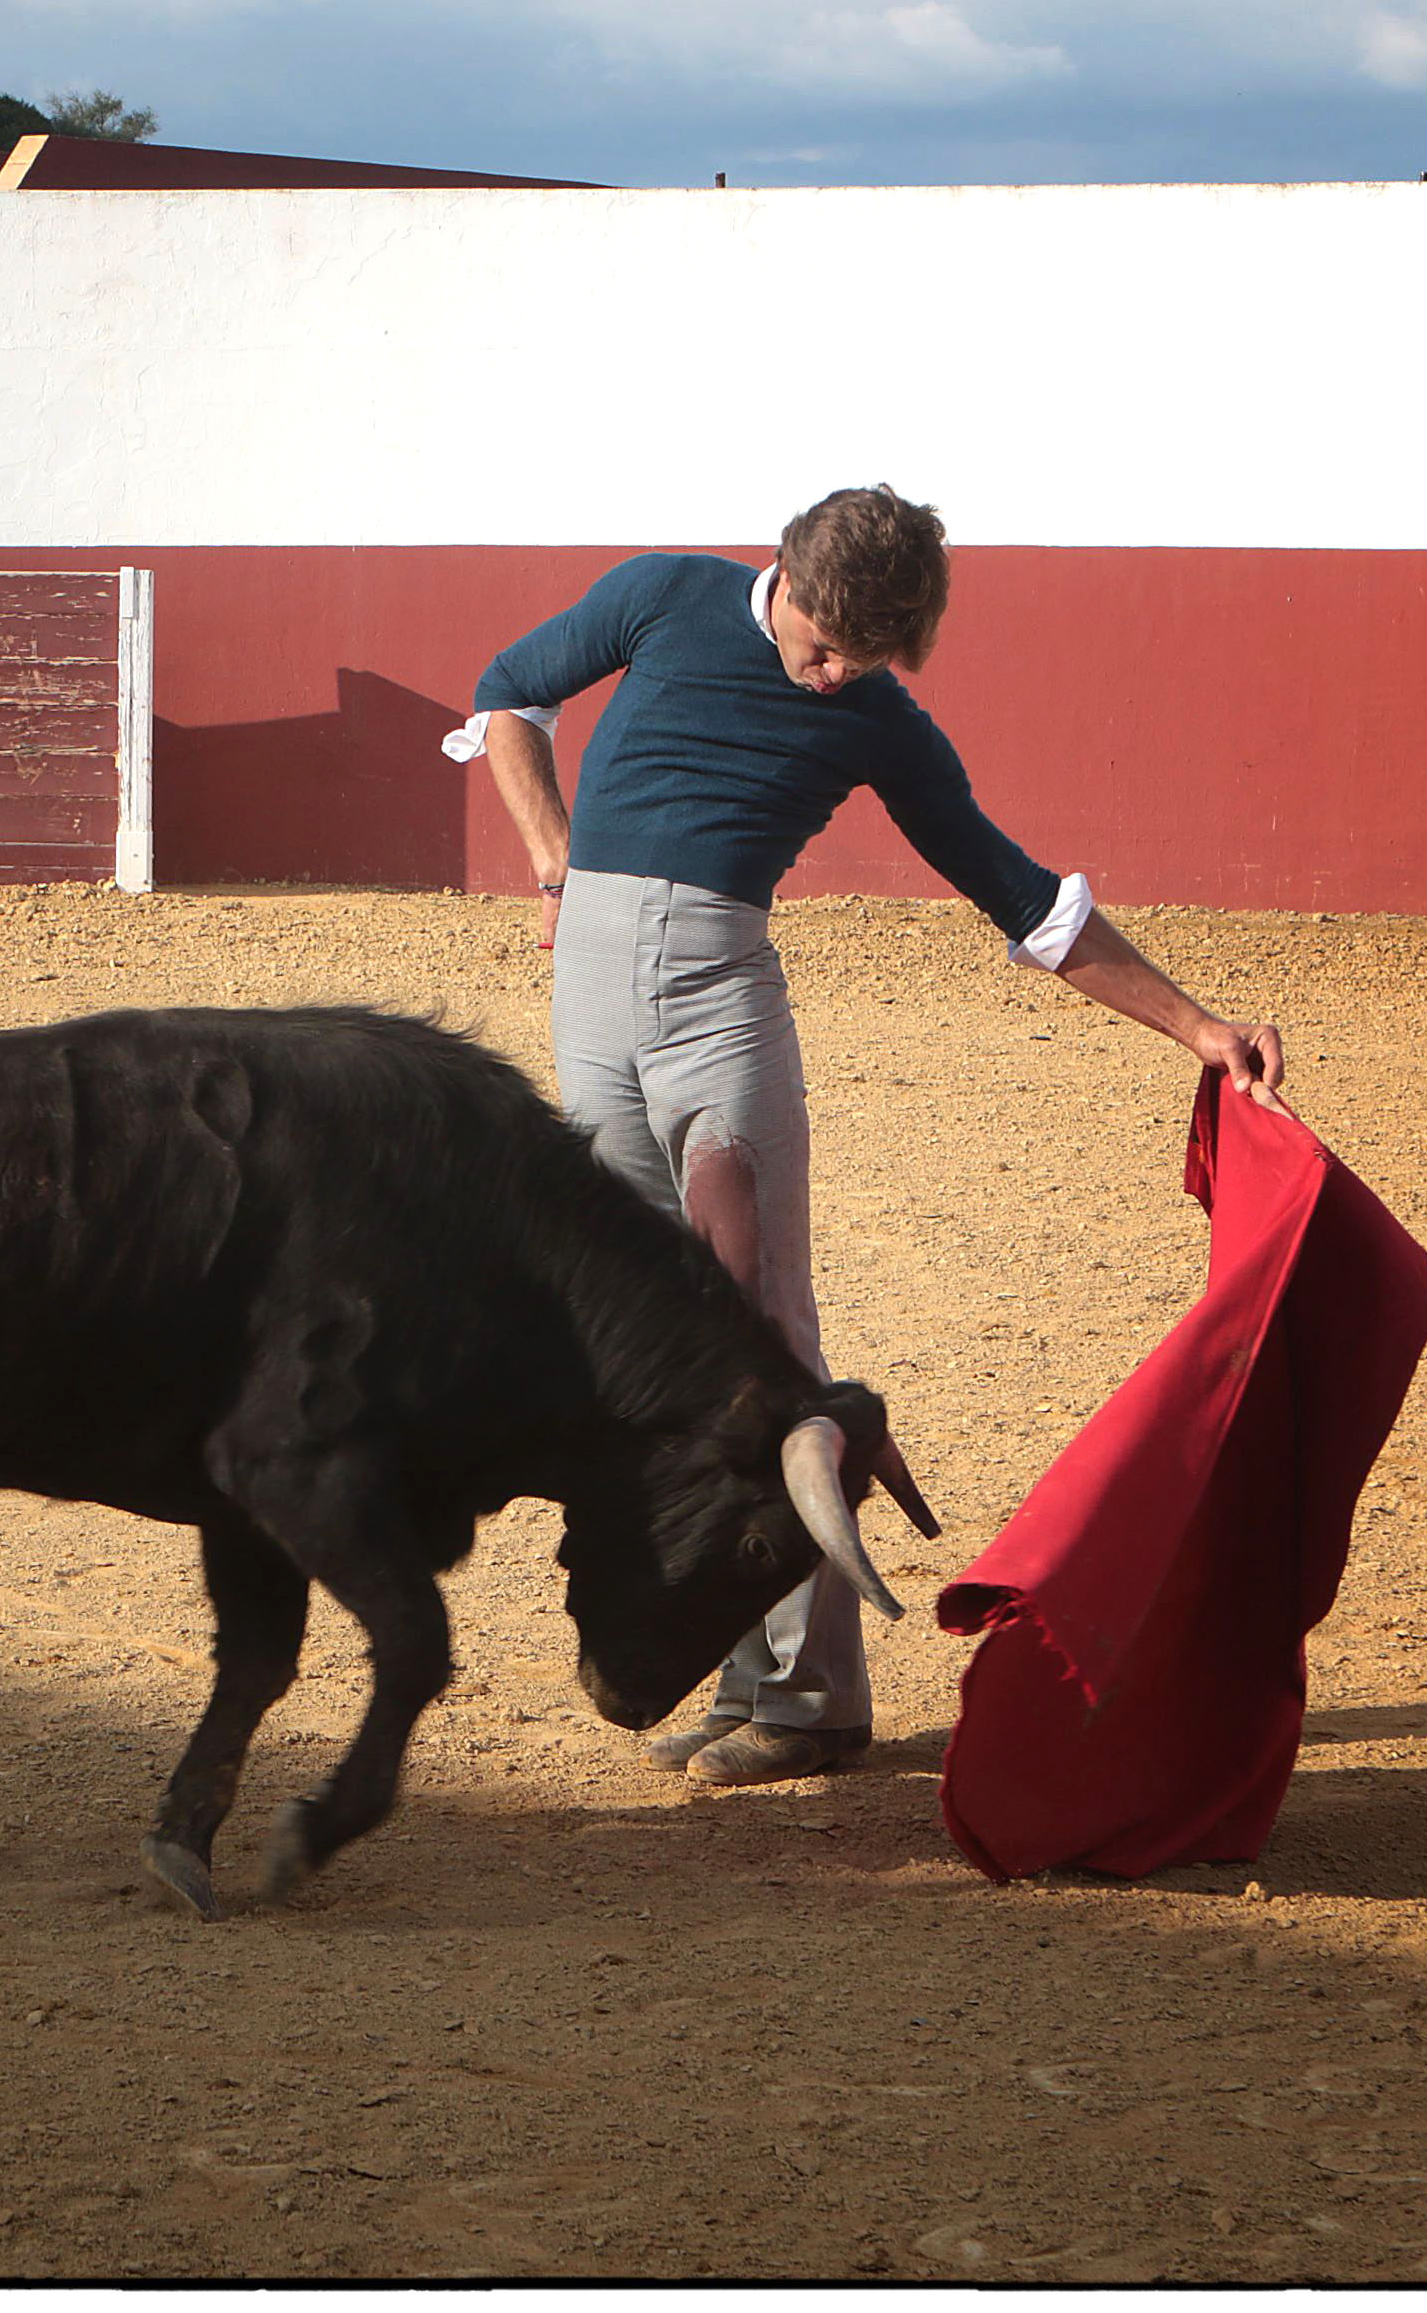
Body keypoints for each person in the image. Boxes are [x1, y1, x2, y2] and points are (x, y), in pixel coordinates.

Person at [444, 485, 1283, 1788]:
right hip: (590, 1012)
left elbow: (1021, 898)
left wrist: (1194, 1027)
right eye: (824, 645)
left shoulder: (876, 718)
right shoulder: (661, 594)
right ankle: (714, 1655)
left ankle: (809, 1696)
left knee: (764, 1344)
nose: (832, 678)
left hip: (718, 1016)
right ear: (781, 573)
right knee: (637, 1342)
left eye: (862, 662)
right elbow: (507, 692)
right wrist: (554, 859)